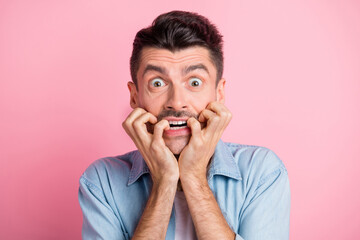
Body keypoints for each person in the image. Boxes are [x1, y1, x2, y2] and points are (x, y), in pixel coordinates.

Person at [78, 10, 290, 240]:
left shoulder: (262, 172)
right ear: (134, 96)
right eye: (157, 83)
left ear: (219, 94)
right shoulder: (102, 181)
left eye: (195, 82)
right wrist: (164, 182)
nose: (176, 102)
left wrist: (194, 177)